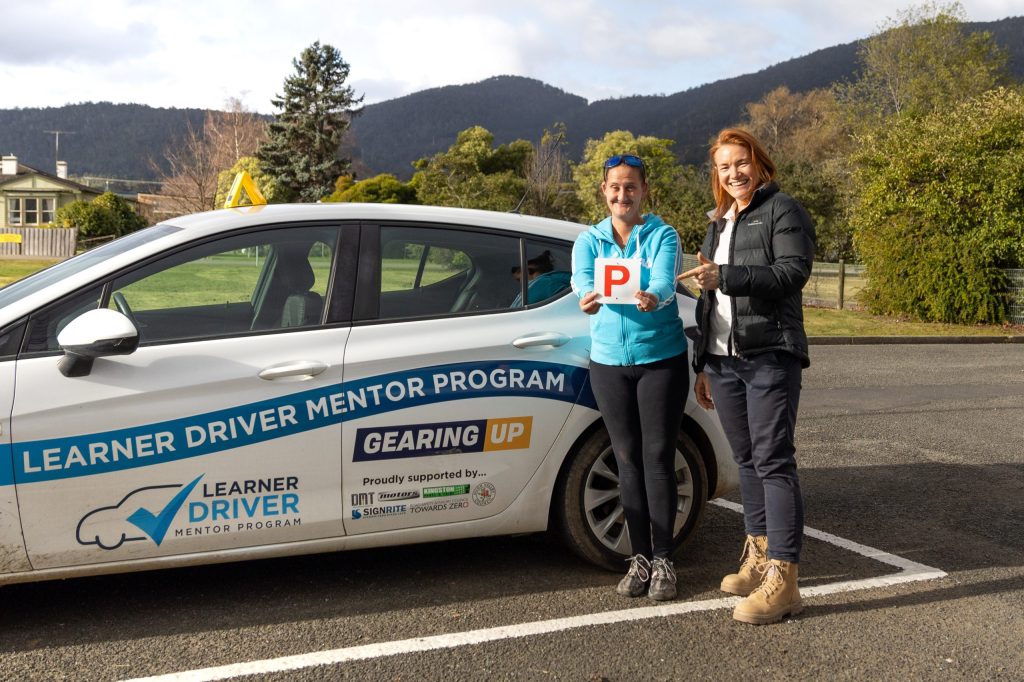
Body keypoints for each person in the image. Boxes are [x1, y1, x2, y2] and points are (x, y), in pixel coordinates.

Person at [679, 128, 815, 625]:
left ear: (759, 163)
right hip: (723, 361)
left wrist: (727, 276)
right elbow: (708, 300)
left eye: (741, 163)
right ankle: (758, 556)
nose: (733, 173)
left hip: (769, 355)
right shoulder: (718, 223)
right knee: (747, 460)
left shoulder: (783, 210)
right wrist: (703, 364)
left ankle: (784, 579)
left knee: (774, 460)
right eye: (723, 167)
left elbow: (791, 274)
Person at [571, 153, 689, 601]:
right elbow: (582, 280)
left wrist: (654, 297)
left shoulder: (662, 234)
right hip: (608, 364)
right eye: (615, 187)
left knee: (658, 458)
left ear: (644, 191)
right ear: (604, 191)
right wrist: (585, 296)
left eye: (631, 187)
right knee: (626, 460)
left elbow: (664, 280)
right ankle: (639, 559)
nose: (623, 195)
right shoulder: (589, 240)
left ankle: (664, 561)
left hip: (660, 360)